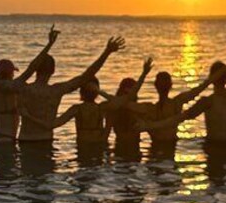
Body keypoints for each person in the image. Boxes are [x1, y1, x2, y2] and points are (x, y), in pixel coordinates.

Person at [15, 36, 127, 144]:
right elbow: (86, 76)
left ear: (35, 70)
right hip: (45, 140)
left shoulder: (24, 89)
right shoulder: (56, 91)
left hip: (25, 140)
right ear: (53, 70)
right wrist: (107, 52)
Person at [24, 58, 153, 149]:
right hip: (98, 150)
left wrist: (28, 116)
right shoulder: (102, 107)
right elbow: (126, 99)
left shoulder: (78, 109)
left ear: (81, 92)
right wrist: (143, 75)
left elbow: (51, 125)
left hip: (83, 150)